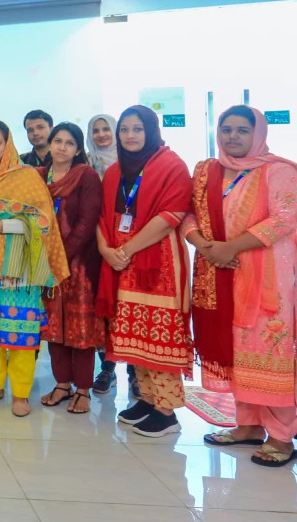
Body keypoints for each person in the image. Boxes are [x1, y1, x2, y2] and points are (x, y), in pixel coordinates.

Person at [184, 106, 297, 467]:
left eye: (242, 130)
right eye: (226, 129)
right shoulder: (208, 171)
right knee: (236, 353)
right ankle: (248, 426)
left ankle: (281, 437)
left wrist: (231, 247)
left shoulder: (280, 171)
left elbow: (285, 218)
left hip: (266, 280)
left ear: (258, 134)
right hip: (219, 272)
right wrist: (205, 246)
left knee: (269, 354)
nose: (233, 136)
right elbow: (188, 213)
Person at [0, 121, 70, 417]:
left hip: (18, 268)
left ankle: (20, 394)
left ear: (8, 145)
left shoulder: (27, 176)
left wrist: (2, 226)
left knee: (21, 332)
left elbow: (41, 221)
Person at [96, 105, 193, 438]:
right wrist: (106, 251)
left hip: (158, 262)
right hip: (121, 262)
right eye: (124, 129)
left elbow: (171, 215)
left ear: (150, 131)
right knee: (133, 332)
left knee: (159, 333)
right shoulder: (114, 171)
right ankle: (148, 399)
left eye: (137, 129)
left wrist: (126, 249)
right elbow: (101, 217)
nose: (130, 136)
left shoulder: (172, 165)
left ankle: (166, 411)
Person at [35, 123, 103, 415]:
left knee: (80, 327)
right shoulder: (38, 176)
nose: (62, 147)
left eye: (70, 143)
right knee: (53, 326)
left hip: (79, 265)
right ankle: (62, 384)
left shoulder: (86, 176)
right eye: (58, 141)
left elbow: (88, 222)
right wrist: (46, 258)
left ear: (77, 149)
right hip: (44, 262)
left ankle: (84, 389)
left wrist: (61, 258)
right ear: (50, 144)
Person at [86, 113, 135, 397]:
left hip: (132, 242)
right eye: (96, 130)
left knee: (128, 305)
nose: (102, 134)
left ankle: (135, 372)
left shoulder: (134, 161)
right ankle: (107, 367)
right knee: (103, 305)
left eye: (107, 129)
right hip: (99, 242)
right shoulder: (88, 163)